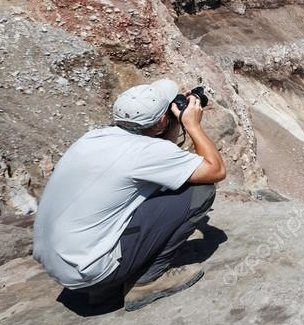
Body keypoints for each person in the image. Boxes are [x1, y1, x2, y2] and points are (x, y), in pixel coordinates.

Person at [33, 79, 227, 311]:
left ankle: (104, 289)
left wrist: (172, 122)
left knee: (161, 187)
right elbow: (215, 171)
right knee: (200, 191)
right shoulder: (146, 152)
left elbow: (159, 159)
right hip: (92, 271)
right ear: (160, 122)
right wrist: (193, 125)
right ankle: (147, 281)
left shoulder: (93, 137)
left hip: (62, 264)